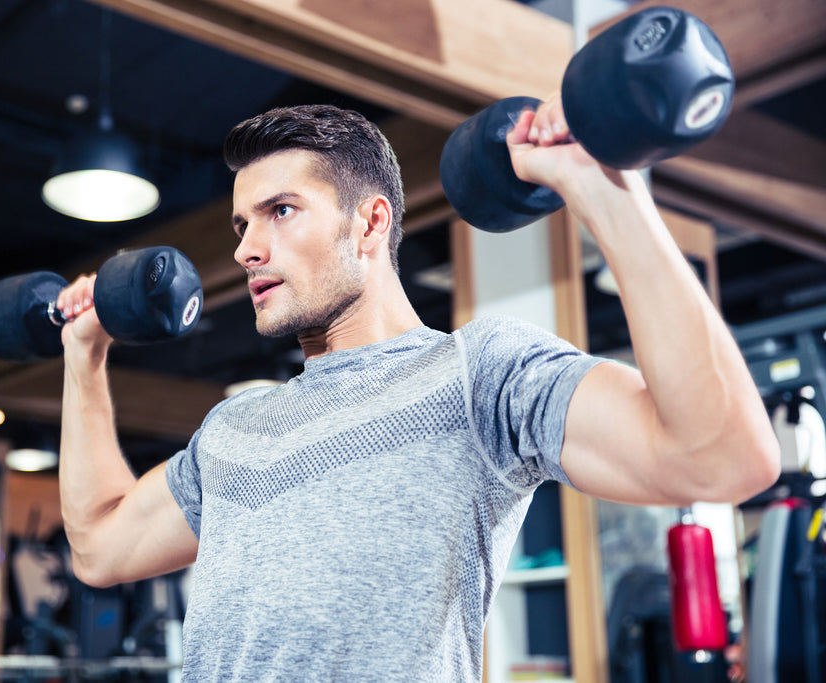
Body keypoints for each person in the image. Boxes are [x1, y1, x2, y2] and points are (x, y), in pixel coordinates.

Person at [55, 99, 780, 681]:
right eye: (243, 223)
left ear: (371, 222)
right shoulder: (234, 428)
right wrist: (83, 360)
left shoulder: (474, 376)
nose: (246, 248)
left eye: (281, 211)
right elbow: (98, 547)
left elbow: (719, 458)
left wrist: (603, 189)